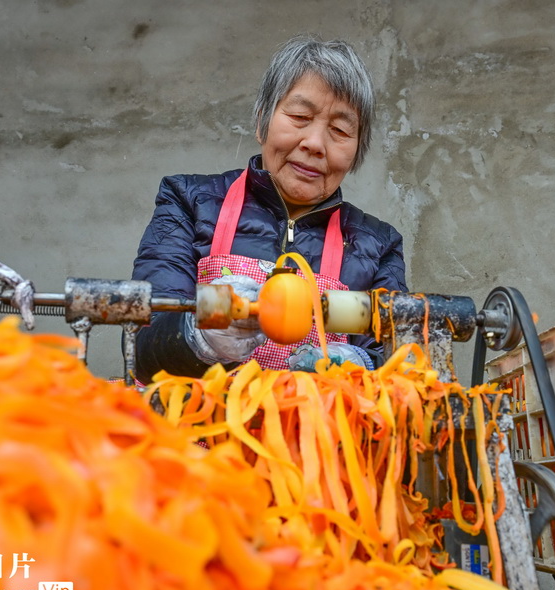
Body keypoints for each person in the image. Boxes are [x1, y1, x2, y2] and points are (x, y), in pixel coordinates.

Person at [131, 35, 407, 380]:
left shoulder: (377, 245)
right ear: (262, 118)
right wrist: (202, 335)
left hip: (312, 432)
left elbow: (401, 363)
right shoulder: (189, 202)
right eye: (299, 116)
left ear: (357, 152)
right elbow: (143, 347)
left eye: (339, 130)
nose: (315, 143)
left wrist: (361, 366)